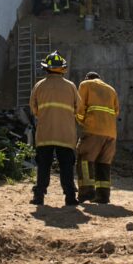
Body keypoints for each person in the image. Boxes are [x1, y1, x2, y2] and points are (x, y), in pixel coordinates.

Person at [29, 51, 82, 206]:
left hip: (45, 134)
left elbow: (34, 109)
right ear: (62, 69)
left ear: (46, 68)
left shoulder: (39, 86)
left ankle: (39, 197)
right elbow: (78, 108)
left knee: (43, 167)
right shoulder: (71, 86)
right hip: (66, 135)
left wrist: (46, 115)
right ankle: (70, 197)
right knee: (66, 167)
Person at [76, 72, 119, 203]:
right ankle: (103, 196)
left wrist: (82, 121)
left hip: (93, 129)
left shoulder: (85, 84)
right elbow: (116, 111)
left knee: (84, 159)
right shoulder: (111, 89)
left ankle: (86, 192)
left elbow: (80, 107)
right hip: (111, 133)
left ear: (87, 78)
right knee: (103, 164)